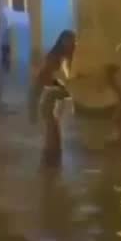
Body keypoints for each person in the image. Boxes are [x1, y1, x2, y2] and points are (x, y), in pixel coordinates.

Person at [29, 30, 76, 167]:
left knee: (52, 122)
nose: (71, 44)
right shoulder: (56, 57)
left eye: (72, 41)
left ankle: (52, 152)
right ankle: (52, 152)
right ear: (62, 41)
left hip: (57, 93)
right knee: (52, 123)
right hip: (54, 92)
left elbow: (47, 77)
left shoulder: (64, 57)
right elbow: (45, 77)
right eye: (69, 41)